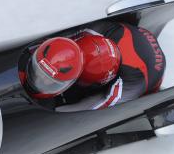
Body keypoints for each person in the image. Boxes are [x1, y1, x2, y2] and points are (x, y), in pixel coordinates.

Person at [23, 22, 166, 111]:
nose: (41, 80)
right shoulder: (92, 31)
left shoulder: (133, 81)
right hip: (125, 32)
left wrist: (56, 111)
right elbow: (54, 42)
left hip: (149, 74)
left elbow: (99, 106)